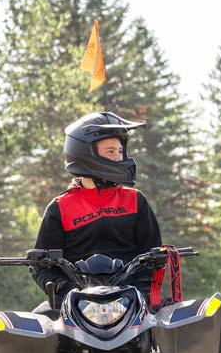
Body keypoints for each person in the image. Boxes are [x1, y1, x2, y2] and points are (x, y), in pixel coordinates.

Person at [32, 111, 163, 307]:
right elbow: (40, 266)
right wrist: (67, 290)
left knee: (178, 319)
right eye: (111, 151)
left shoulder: (136, 200)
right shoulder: (60, 207)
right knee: (36, 321)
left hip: (133, 301)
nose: (119, 157)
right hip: (75, 304)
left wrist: (140, 292)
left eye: (120, 151)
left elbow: (155, 256)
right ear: (85, 153)